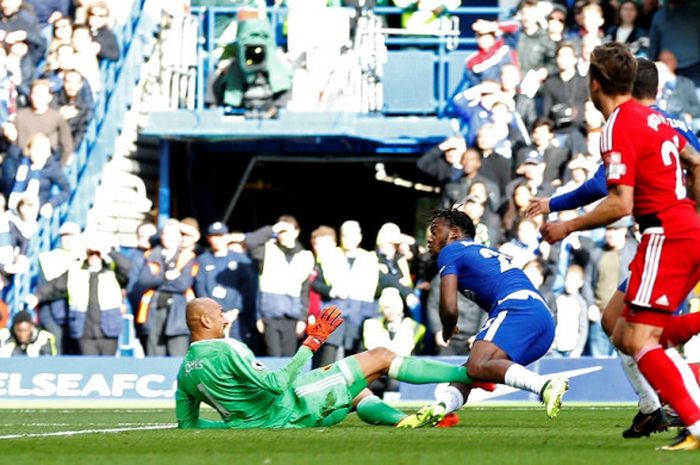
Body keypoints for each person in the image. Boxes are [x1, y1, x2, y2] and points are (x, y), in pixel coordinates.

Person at [529, 56, 700, 441]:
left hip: (667, 237)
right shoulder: (672, 124)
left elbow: (606, 190)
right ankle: (653, 407)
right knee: (616, 325)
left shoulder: (626, 123)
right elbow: (695, 162)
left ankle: (685, 414)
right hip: (673, 234)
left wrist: (562, 218)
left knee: (643, 338)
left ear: (595, 84)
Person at [175, 297, 492, 429]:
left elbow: (187, 425)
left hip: (281, 417)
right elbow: (275, 385)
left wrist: (236, 424)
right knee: (379, 357)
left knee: (359, 394)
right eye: (219, 312)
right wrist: (311, 344)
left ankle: (402, 421)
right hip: (294, 404)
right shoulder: (228, 350)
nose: (224, 314)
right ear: (204, 320)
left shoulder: (186, 370)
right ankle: (472, 372)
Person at [397, 208, 569, 428]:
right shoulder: (482, 251)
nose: (429, 237)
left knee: (477, 365)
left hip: (517, 308)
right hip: (541, 318)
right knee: (472, 369)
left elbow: (449, 307)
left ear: (454, 233)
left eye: (434, 230)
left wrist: (448, 328)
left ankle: (545, 385)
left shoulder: (451, 251)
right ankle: (440, 407)